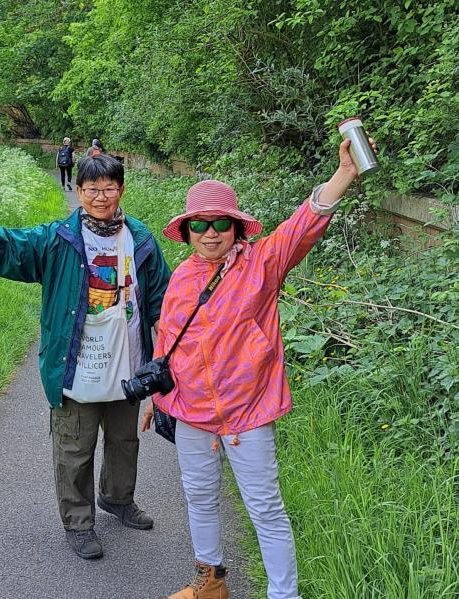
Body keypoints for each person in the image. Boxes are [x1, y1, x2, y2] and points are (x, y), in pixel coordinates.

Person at [143, 136, 378, 599]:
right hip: (191, 414)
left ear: (237, 228)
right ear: (188, 231)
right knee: (200, 500)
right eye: (200, 225)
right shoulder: (184, 277)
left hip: (247, 415)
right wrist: (156, 398)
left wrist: (346, 172)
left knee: (266, 510)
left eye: (221, 224)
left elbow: (303, 225)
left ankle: (282, 595)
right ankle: (210, 583)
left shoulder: (262, 264)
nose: (211, 233)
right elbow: (169, 343)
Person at [0, 154, 172, 560]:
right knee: (74, 448)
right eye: (92, 189)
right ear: (79, 191)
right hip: (76, 363)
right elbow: (14, 248)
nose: (101, 196)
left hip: (127, 362)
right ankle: (78, 522)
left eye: (109, 188)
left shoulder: (141, 237)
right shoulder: (58, 239)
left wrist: (168, 356)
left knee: (124, 441)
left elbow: (163, 301)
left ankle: (118, 499)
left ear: (121, 189)